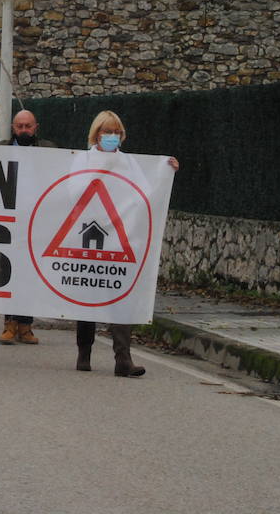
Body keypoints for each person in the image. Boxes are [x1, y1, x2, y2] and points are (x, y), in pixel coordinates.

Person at [74, 110, 179, 378]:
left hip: (119, 237)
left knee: (121, 294)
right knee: (87, 296)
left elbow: (145, 192)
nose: (111, 137)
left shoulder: (129, 162)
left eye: (116, 132)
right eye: (106, 131)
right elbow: (70, 192)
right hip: (88, 236)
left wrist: (167, 169)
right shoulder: (82, 160)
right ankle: (84, 352)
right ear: (95, 133)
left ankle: (123, 358)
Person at [0, 109, 55, 346]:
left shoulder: (50, 150)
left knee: (30, 274)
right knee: (7, 271)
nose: (23, 130)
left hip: (36, 220)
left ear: (35, 127)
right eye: (19, 126)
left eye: (27, 126)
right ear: (13, 128)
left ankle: (25, 325)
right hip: (7, 220)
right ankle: (9, 324)